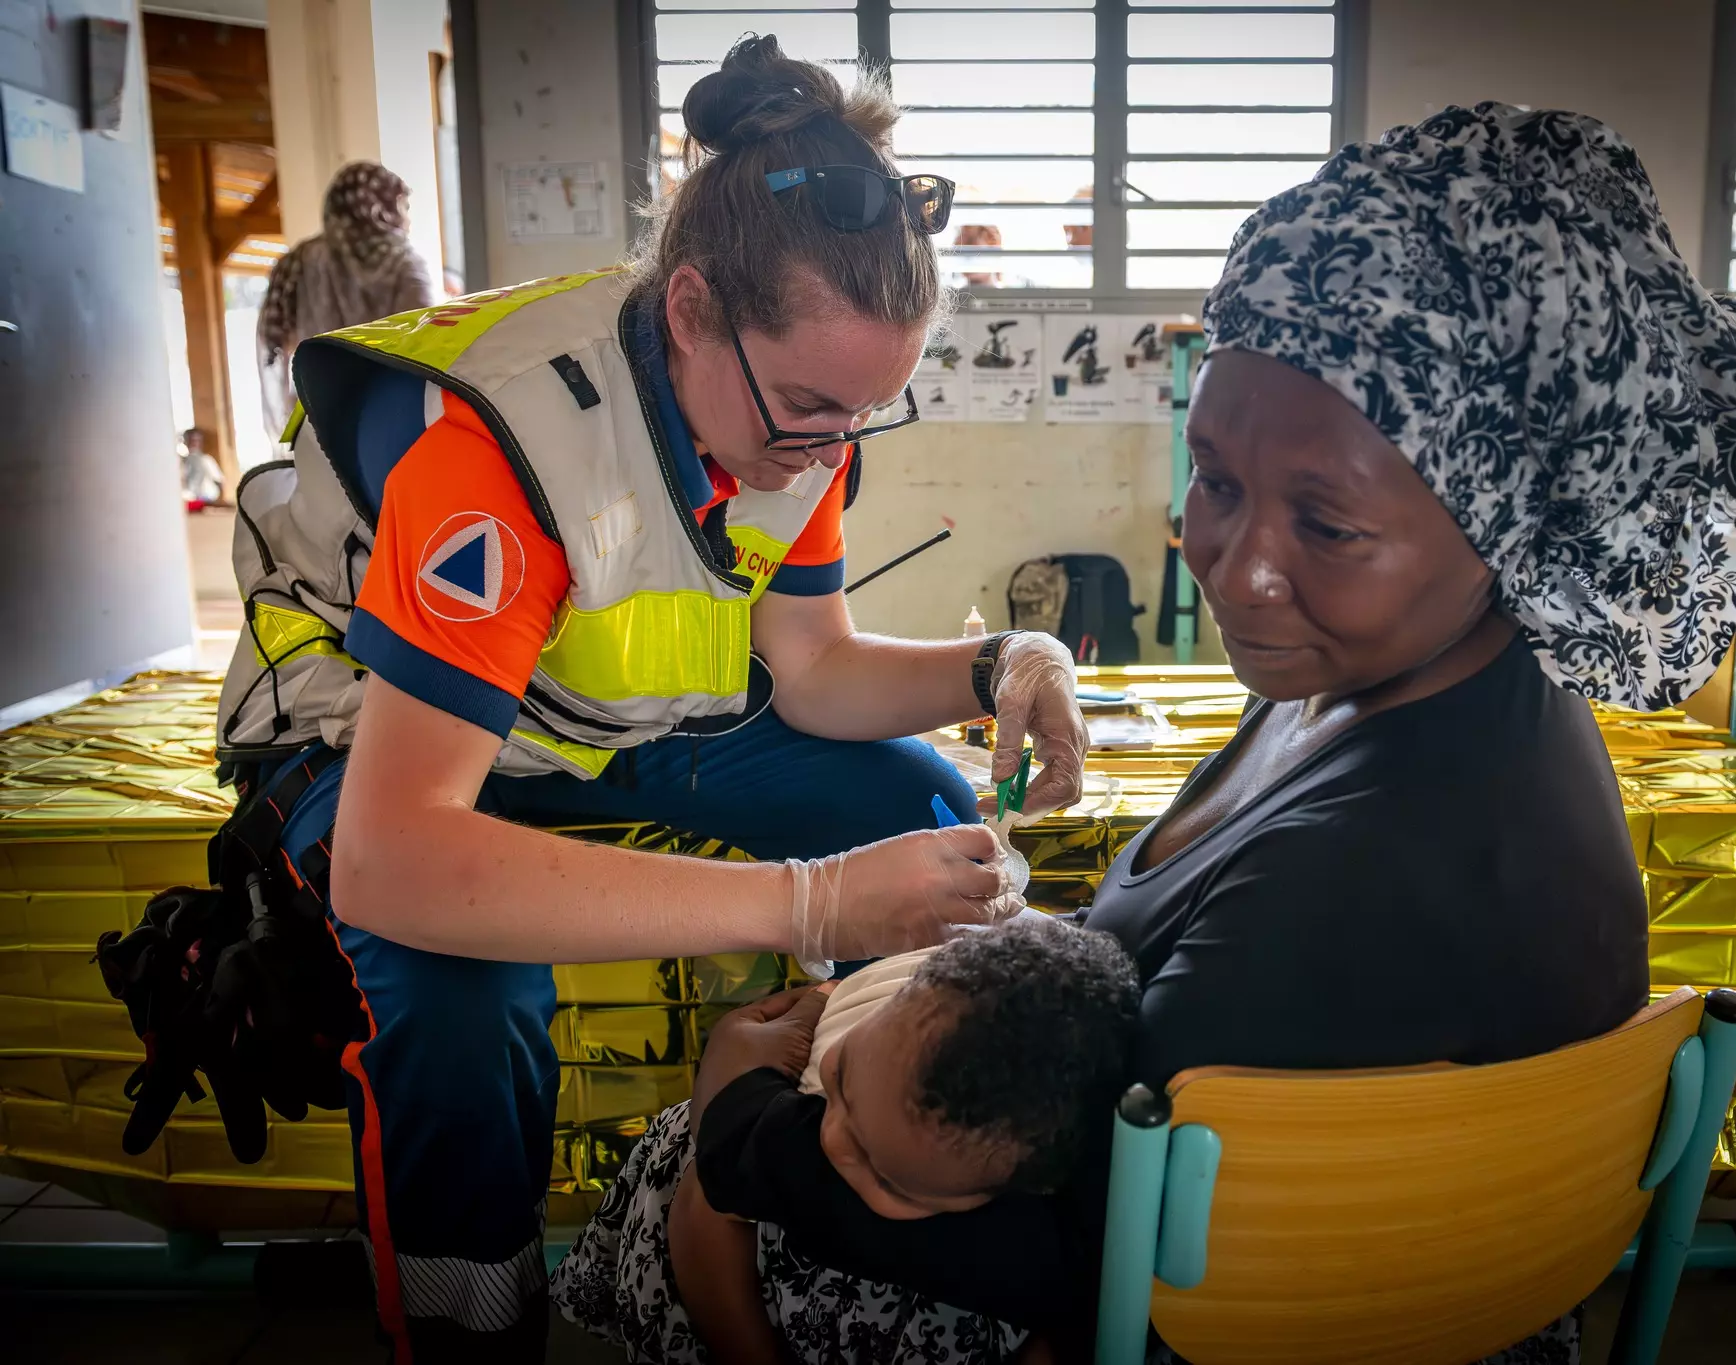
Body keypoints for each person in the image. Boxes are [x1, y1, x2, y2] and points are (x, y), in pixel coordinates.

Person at [676, 103, 1736, 1362]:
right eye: (1214, 479)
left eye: (1327, 526)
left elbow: (1090, 1258)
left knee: (682, 1179)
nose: (1234, 566)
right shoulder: (1401, 687)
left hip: (1223, 1318)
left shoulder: (1370, 875)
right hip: (1332, 1273)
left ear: (1511, 524)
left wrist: (738, 1119)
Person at [213, 36, 1087, 1363]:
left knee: (922, 809)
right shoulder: (502, 451)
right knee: (460, 1009)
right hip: (374, 731)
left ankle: (850, 1225)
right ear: (688, 310)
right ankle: (473, 1328)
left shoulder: (794, 419)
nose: (829, 453)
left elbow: (817, 669)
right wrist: (810, 904)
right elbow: (395, 861)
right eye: (810, 408)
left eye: (867, 414)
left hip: (581, 719)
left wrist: (1006, 665)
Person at [552, 916, 1139, 1363]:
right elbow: (705, 1206)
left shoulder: (1030, 1243)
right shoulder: (884, 1026)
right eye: (839, 1078)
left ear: (1012, 1196)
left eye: (885, 1177)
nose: (831, 1138)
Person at [256, 161, 437, 440]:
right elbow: (427, 338)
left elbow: (277, 338)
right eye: (404, 207)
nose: (408, 219)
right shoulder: (403, 262)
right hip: (390, 415)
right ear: (378, 207)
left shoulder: (297, 261)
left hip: (316, 415)